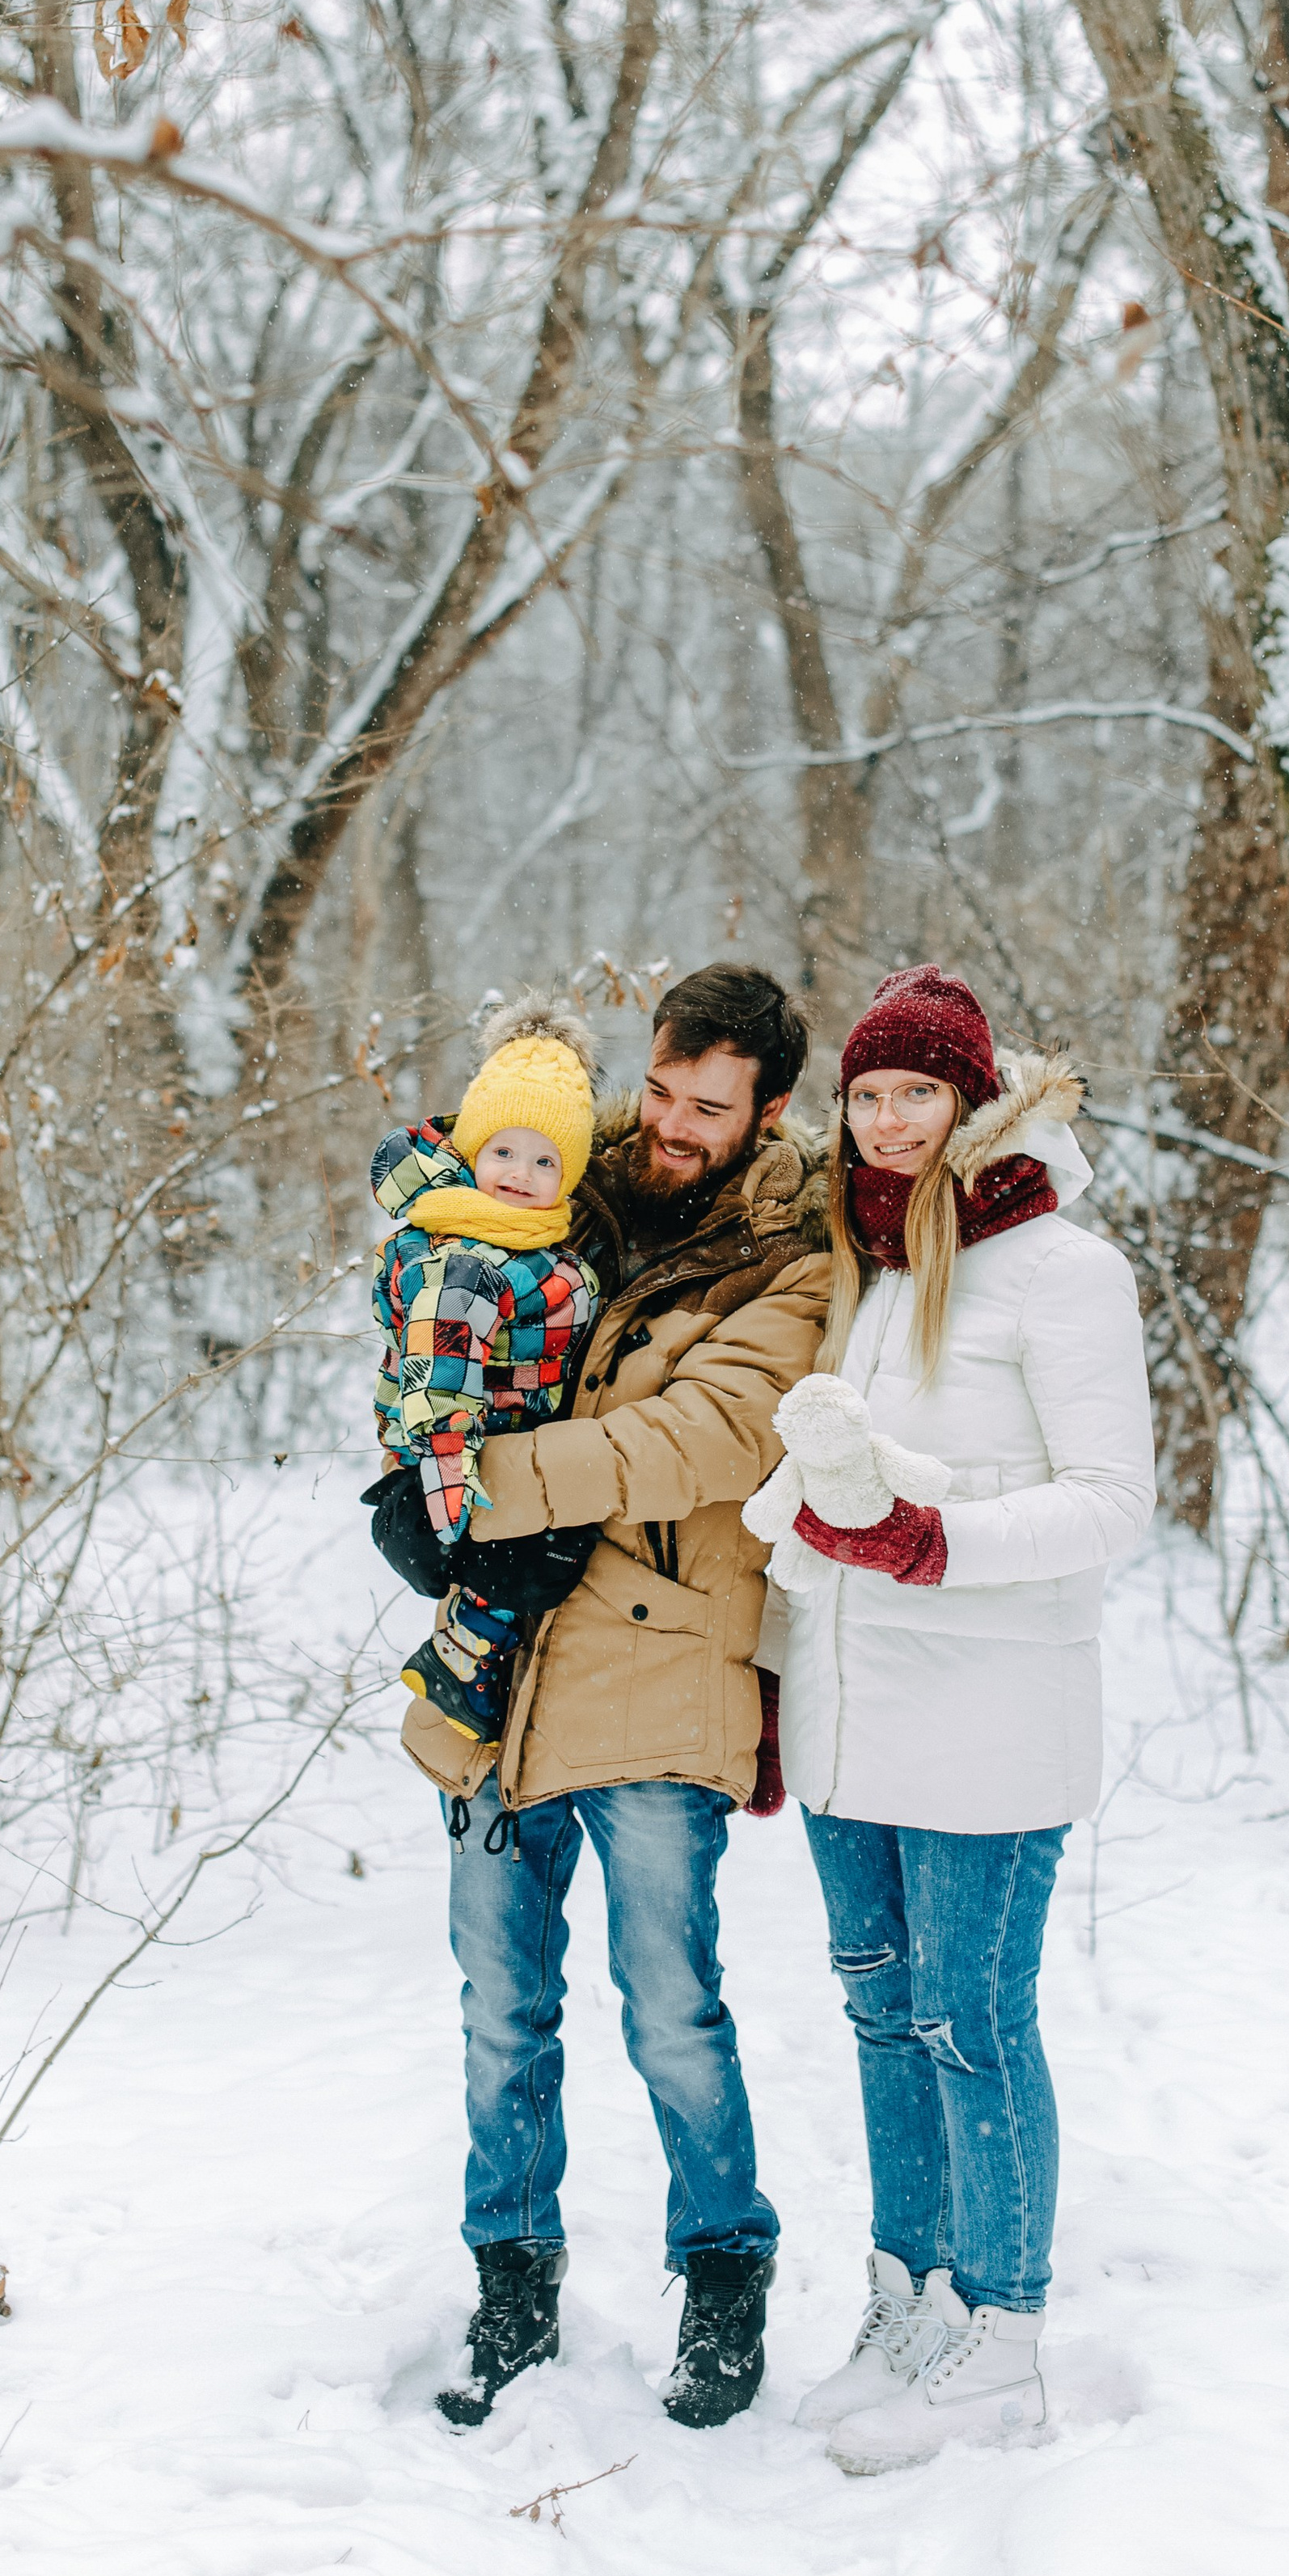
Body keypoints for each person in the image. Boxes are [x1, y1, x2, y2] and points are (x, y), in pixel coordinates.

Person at [370, 963, 826, 2434]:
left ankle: (724, 2273)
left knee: (672, 2004)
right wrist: (411, 1489)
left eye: (711, 1108)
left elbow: (705, 1437)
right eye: (664, 1089)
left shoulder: (794, 1258)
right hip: (503, 1660)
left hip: (661, 1669)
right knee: (500, 2008)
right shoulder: (559, 1186)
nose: (673, 1125)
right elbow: (449, 1335)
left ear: (768, 1112)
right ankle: (511, 2281)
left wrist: (470, 1495)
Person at [750, 966, 1153, 2475]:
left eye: (917, 1090)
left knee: (970, 2023)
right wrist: (777, 1680)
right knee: (879, 2018)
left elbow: (1113, 1502)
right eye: (866, 1093)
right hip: (851, 1714)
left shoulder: (1062, 1270)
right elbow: (829, 1483)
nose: (888, 1117)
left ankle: (1003, 2339)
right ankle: (910, 2301)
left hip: (990, 1714)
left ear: (974, 1100)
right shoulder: (867, 1263)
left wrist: (937, 1539)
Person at [369, 1000, 602, 1740]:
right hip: (468, 1450)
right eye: (503, 1152)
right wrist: (449, 1493)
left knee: (527, 1562)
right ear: (473, 1152)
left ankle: (465, 1657)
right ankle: (461, 1664)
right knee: (531, 1562)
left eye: (545, 1161)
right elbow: (440, 1376)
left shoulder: (527, 1241)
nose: (520, 1175)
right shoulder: (469, 1254)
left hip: (500, 1440)